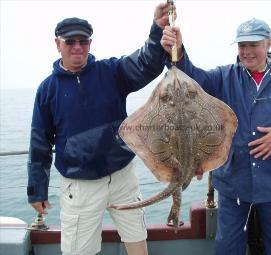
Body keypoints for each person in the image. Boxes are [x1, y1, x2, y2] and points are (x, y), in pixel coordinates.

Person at [161, 18, 271, 255]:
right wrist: (178, 51)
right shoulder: (225, 76)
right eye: (241, 46)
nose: (246, 52)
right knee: (228, 246)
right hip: (233, 181)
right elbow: (194, 79)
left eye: (253, 44)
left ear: (268, 43)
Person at [26, 3, 173, 255]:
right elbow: (40, 143)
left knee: (137, 239)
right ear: (57, 44)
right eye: (70, 41)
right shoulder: (47, 90)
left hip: (122, 176)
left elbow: (146, 63)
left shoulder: (111, 72)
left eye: (83, 41)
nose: (77, 47)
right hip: (79, 186)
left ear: (90, 43)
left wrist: (157, 29)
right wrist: (37, 189)